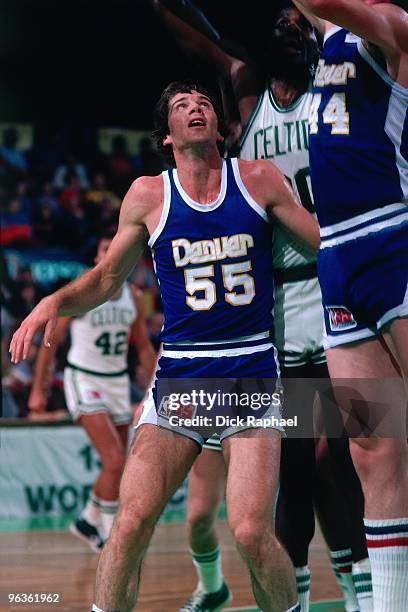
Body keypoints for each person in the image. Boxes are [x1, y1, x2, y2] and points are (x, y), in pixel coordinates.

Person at [9, 79, 321, 612]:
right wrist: (53, 302)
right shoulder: (149, 194)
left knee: (248, 529)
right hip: (179, 379)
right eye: (182, 105)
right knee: (128, 523)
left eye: (203, 103)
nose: (196, 108)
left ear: (220, 127)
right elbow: (107, 278)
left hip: (250, 373)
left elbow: (322, 245)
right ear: (168, 136)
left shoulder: (257, 179)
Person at [152, 2, 372, 610]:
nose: (289, 28)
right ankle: (306, 589)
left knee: (346, 454)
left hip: (336, 282)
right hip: (276, 299)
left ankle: (365, 583)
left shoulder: (332, 90)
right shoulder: (248, 99)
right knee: (298, 463)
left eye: (300, 23)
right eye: (282, 20)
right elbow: (204, 45)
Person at [291, 1, 408, 610]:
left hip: (395, 239)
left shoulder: (390, 24)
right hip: (337, 258)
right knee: (371, 447)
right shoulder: (325, 36)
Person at [27, 232, 156, 550]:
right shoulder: (83, 292)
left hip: (116, 381)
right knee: (113, 460)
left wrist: (155, 385)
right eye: (105, 247)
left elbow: (142, 346)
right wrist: (37, 390)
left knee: (118, 464)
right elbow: (50, 343)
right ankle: (114, 536)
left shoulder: (133, 297)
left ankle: (88, 520)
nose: (113, 250)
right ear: (97, 257)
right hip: (84, 379)